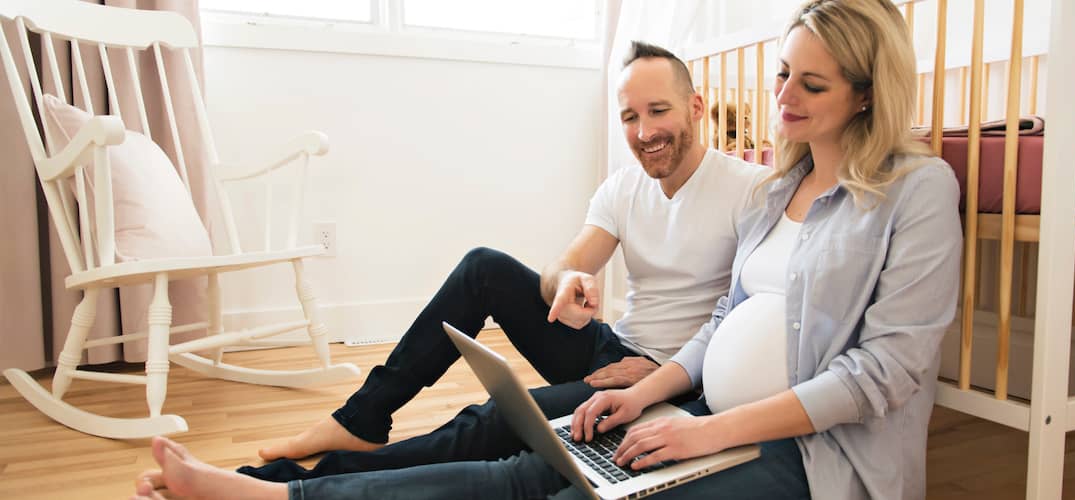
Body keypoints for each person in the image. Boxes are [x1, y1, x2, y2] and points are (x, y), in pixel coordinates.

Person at [131, 1, 962, 498]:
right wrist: (588, 307)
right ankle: (312, 464)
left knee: (530, 465)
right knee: (514, 426)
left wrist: (679, 401)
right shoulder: (775, 190)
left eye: (809, 86)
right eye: (782, 75)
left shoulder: (885, 191)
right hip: (679, 386)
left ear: (865, 95)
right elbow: (712, 310)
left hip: (767, 431)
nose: (782, 98)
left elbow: (877, 373)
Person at [224, 40, 766, 483]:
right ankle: (361, 418)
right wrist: (567, 281)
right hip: (613, 351)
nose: (644, 132)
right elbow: (565, 266)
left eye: (658, 111)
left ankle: (297, 482)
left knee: (495, 419)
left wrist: (662, 375)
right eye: (630, 117)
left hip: (674, 380)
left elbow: (746, 314)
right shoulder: (624, 187)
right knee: (483, 267)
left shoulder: (750, 191)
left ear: (695, 107)